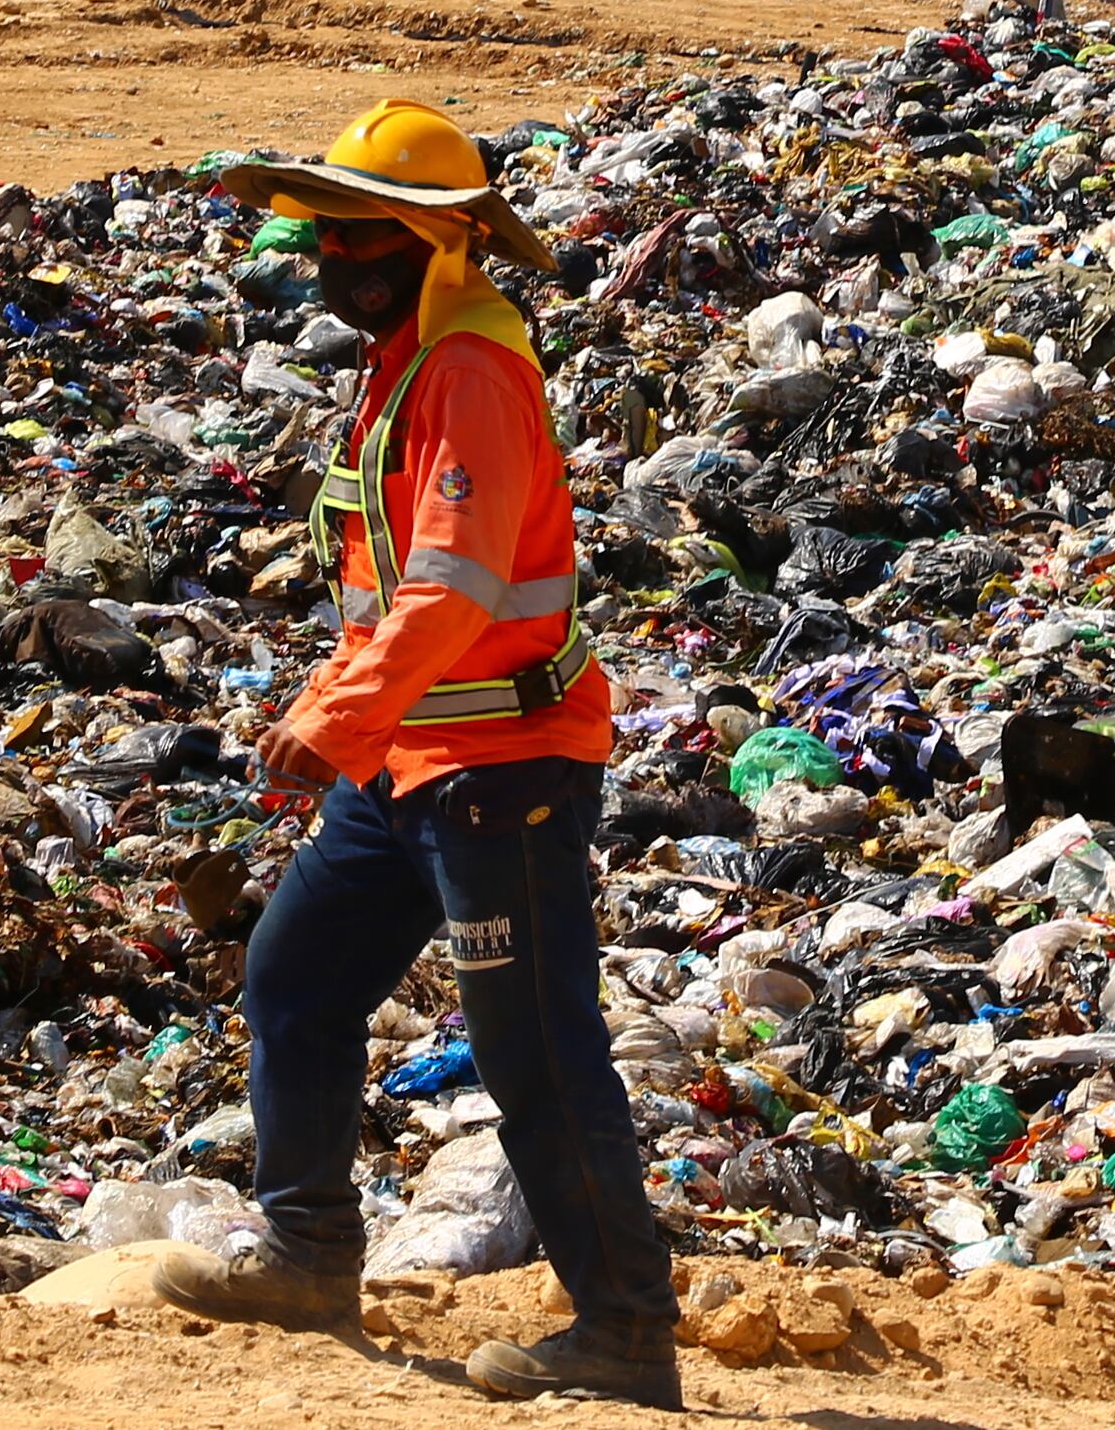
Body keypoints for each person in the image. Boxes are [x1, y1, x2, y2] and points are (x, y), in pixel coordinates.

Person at [151, 99, 683, 1409]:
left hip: (503, 772)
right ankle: (308, 1249)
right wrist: (333, 709)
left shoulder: (473, 373)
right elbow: (393, 589)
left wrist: (340, 715)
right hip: (410, 765)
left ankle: (623, 1329)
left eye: (354, 235)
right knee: (293, 980)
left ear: (430, 245)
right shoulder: (409, 361)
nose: (330, 258)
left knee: (537, 1051)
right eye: (324, 234)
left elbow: (453, 589)